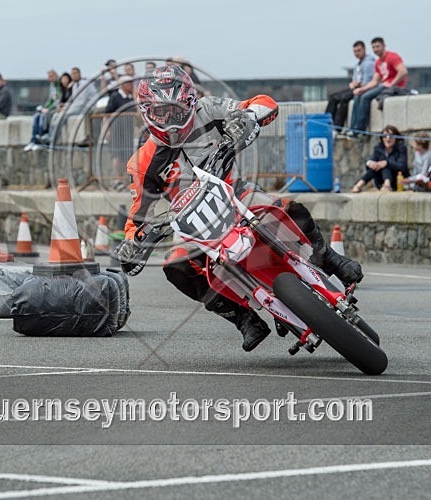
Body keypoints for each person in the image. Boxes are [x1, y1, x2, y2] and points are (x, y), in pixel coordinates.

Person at [116, 65, 363, 352]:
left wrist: (246, 117)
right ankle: (243, 318)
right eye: (162, 112)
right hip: (193, 224)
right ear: (147, 113)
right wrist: (133, 242)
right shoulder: (142, 163)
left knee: (284, 207)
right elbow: (137, 217)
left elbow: (263, 103)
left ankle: (329, 258)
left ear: (191, 102)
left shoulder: (209, 110)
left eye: (177, 109)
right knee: (176, 265)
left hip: (235, 194)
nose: (171, 119)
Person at [349, 37, 408, 137]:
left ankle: (360, 130)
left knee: (365, 98)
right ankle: (353, 128)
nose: (376, 49)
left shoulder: (392, 57)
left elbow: (403, 71)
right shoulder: (377, 62)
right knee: (358, 96)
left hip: (394, 87)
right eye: (374, 47)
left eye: (378, 46)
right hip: (383, 85)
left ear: (384, 46)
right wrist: (361, 89)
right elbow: (374, 81)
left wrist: (392, 83)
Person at [326, 41, 375, 131]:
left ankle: (337, 127)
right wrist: (353, 84)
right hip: (355, 88)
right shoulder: (357, 65)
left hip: (363, 89)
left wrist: (357, 84)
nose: (357, 53)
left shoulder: (369, 64)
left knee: (344, 99)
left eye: (359, 50)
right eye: (355, 51)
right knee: (333, 97)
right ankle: (327, 123)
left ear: (364, 50)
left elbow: (369, 82)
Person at [351, 125, 408, 192]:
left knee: (385, 164)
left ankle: (387, 186)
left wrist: (387, 163)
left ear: (396, 138)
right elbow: (371, 160)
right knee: (376, 166)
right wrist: (370, 163)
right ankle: (359, 185)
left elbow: (402, 166)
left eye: (391, 136)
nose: (388, 138)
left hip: (397, 180)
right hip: (380, 181)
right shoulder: (378, 148)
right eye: (385, 136)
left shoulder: (401, 148)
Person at [104, 75, 136, 190]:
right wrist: (107, 129)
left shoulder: (130, 97)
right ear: (122, 85)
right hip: (116, 130)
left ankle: (124, 179)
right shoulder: (115, 97)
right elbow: (106, 114)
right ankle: (117, 179)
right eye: (129, 83)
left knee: (126, 155)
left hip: (128, 132)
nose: (131, 86)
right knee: (117, 155)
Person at [25, 69, 62, 151]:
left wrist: (48, 108)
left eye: (52, 76)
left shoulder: (58, 85)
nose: (50, 78)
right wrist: (44, 107)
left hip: (55, 109)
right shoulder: (51, 86)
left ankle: (40, 138)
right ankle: (33, 140)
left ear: (56, 76)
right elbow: (50, 100)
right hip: (50, 108)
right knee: (37, 116)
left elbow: (57, 100)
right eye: (49, 77)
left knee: (43, 117)